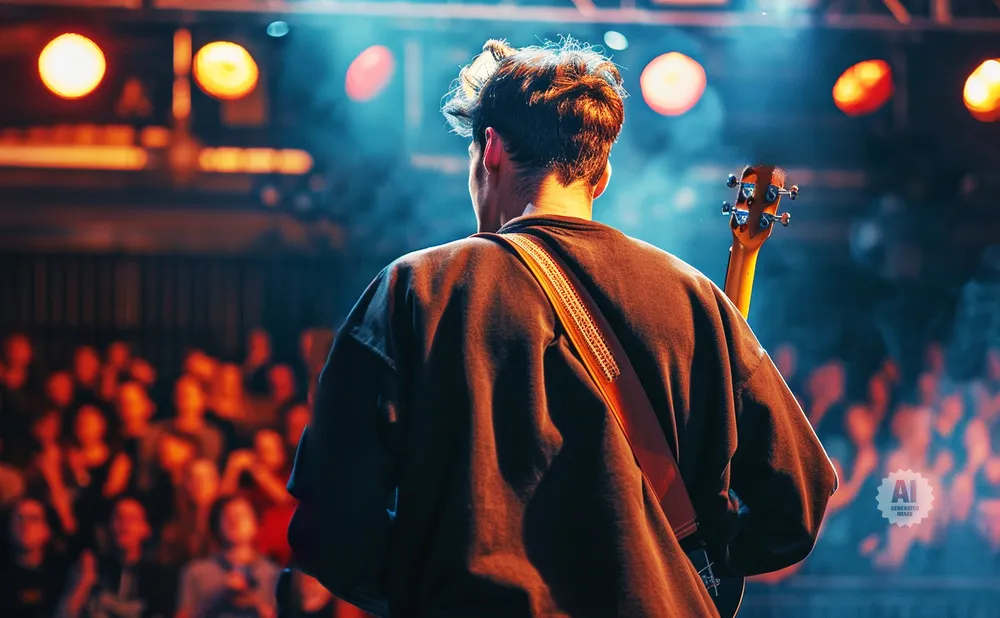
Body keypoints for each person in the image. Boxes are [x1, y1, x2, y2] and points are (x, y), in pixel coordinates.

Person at [286, 38, 838, 618]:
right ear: (599, 177)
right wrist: (684, 566)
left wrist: (435, 579)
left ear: (490, 149)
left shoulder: (415, 290)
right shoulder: (696, 299)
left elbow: (329, 527)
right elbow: (796, 502)